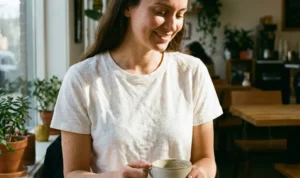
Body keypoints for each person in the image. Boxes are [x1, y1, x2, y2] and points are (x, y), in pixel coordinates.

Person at [50, 0, 222, 178]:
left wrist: (200, 173)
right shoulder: (82, 78)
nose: (172, 26)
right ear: (127, 7)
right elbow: (73, 173)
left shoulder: (191, 72)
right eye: (161, 12)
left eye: (179, 15)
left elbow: (206, 159)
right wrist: (116, 176)